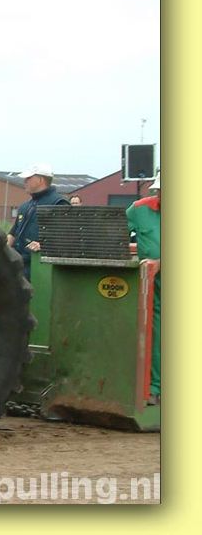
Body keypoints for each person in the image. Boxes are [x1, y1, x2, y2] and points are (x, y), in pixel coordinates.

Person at [126, 171, 160, 405]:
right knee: (154, 332)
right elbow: (114, 231)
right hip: (151, 285)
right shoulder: (139, 209)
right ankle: (154, 387)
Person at [6, 163, 69, 278]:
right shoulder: (25, 206)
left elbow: (66, 236)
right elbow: (13, 233)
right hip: (18, 265)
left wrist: (43, 245)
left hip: (40, 268)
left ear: (40, 180)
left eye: (28, 178)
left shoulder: (58, 203)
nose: (25, 181)